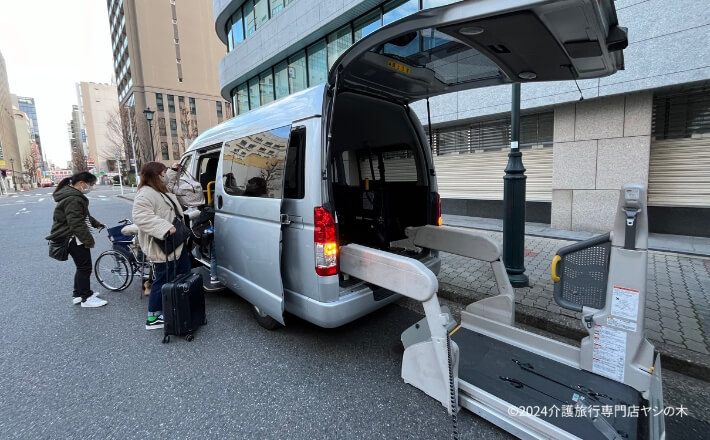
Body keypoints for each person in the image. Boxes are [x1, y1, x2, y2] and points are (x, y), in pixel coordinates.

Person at [132, 162, 192, 330]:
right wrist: (165, 227)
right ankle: (153, 316)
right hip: (163, 246)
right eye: (163, 173)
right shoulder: (145, 194)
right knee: (162, 280)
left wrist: (173, 170)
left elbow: (169, 184)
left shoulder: (158, 189)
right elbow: (141, 217)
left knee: (182, 276)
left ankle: (175, 308)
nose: (165, 176)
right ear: (155, 175)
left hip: (175, 244)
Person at [46, 171, 107, 307]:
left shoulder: (71, 195)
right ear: (81, 184)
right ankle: (86, 298)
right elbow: (76, 223)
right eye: (91, 184)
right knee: (85, 267)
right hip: (73, 237)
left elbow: (83, 216)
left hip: (70, 236)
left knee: (81, 267)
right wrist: (88, 241)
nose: (91, 188)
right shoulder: (74, 198)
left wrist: (96, 224)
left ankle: (78, 294)